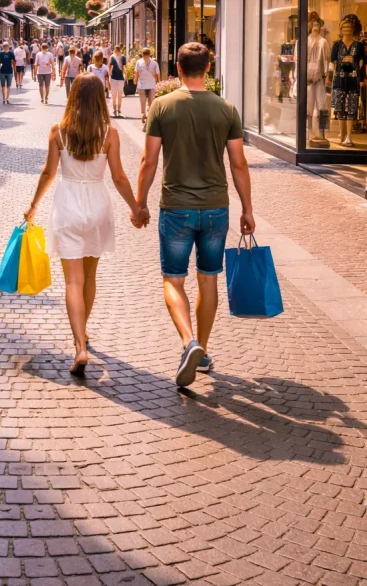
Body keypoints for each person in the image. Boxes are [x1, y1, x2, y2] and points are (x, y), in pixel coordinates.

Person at [134, 42, 255, 388]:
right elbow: (238, 163)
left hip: (176, 207)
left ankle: (190, 342)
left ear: (177, 67)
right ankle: (203, 349)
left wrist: (140, 203)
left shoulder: (162, 106)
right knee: (208, 278)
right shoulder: (226, 109)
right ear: (209, 67)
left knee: (173, 279)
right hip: (216, 207)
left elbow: (149, 160)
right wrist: (247, 208)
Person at [25, 74, 143, 375]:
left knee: (72, 282)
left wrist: (33, 205)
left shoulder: (59, 130)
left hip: (68, 204)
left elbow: (48, 173)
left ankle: (79, 345)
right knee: (90, 277)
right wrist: (136, 207)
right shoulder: (109, 132)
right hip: (97, 204)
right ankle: (84, 331)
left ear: (73, 95)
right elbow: (118, 177)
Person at [134, 48, 160, 125]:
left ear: (149, 55)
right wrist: (135, 79)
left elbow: (158, 74)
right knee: (144, 101)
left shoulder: (154, 63)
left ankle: (148, 115)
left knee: (150, 102)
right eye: (144, 55)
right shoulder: (139, 62)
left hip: (151, 85)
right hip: (142, 85)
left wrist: (159, 82)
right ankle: (143, 115)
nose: (145, 56)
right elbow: (136, 72)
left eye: (146, 55)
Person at [109, 45, 127, 118]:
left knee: (119, 94)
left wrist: (126, 75)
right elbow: (109, 66)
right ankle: (114, 109)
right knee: (114, 94)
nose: (117, 53)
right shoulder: (112, 57)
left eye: (118, 51)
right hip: (114, 77)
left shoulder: (123, 57)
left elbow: (125, 67)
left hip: (121, 77)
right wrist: (109, 75)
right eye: (116, 51)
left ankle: (119, 109)